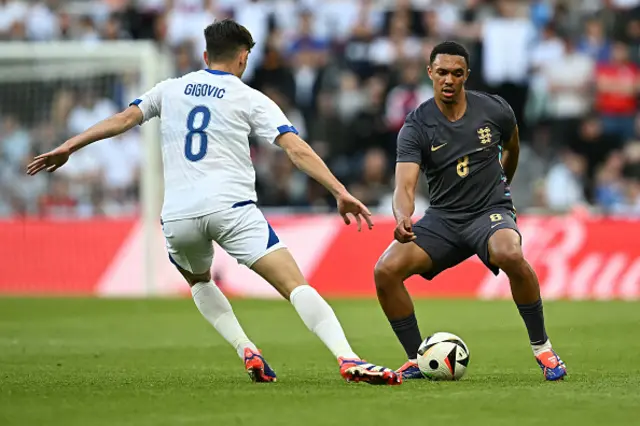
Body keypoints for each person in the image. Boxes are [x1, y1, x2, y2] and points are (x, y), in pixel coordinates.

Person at [26, 19, 401, 386]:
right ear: (243, 59)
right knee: (295, 285)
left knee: (200, 281)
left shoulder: (169, 89)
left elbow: (124, 119)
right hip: (232, 210)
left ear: (205, 54)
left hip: (178, 217)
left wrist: (69, 145)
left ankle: (244, 347)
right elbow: (296, 150)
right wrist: (339, 190)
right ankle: (346, 357)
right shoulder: (251, 97)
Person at [373, 41, 567, 381]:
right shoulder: (416, 126)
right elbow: (404, 186)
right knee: (385, 271)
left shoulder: (495, 110)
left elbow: (512, 146)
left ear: (467, 76)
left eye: (457, 73)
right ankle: (418, 358)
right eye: (443, 72)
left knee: (509, 252)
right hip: (443, 219)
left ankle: (543, 348)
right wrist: (402, 216)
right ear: (430, 73)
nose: (449, 80)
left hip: (489, 212)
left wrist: (504, 185)